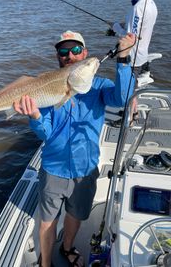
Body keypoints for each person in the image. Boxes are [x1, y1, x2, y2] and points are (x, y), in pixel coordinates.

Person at [13, 30, 135, 267]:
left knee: (76, 215)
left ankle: (67, 247)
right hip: (53, 168)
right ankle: (45, 262)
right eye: (64, 51)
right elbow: (45, 133)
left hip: (85, 168)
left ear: (85, 53)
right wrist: (36, 115)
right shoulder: (47, 88)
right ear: (58, 57)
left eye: (76, 50)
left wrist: (123, 59)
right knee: (47, 220)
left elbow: (123, 97)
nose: (70, 55)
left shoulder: (99, 86)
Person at [107, 0, 158, 127]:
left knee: (127, 87)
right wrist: (123, 24)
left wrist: (116, 28)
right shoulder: (150, 3)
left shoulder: (138, 8)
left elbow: (131, 38)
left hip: (133, 55)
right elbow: (138, 28)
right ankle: (132, 111)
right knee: (132, 85)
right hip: (142, 53)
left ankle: (129, 119)